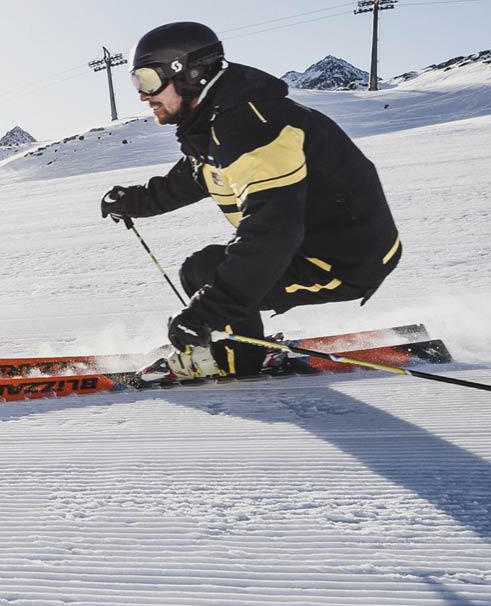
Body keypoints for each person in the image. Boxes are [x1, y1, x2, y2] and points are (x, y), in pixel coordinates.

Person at [100, 21, 402, 379]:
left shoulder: (252, 126)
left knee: (209, 272)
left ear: (190, 74)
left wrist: (205, 313)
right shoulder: (218, 122)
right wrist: (134, 201)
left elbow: (272, 230)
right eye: (136, 83)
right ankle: (243, 346)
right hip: (316, 245)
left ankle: (240, 358)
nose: (142, 95)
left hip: (346, 260)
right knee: (203, 269)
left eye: (149, 81)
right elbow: (191, 178)